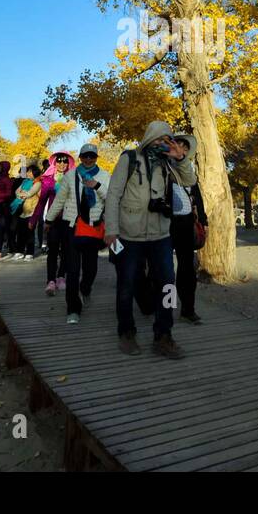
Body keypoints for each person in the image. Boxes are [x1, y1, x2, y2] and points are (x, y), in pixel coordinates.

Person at [104, 121, 195, 359]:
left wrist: (180, 158)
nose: (162, 144)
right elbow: (113, 194)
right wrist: (111, 230)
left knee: (168, 284)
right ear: (148, 139)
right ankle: (126, 331)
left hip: (160, 234)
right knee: (127, 284)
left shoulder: (169, 162)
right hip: (128, 234)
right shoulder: (129, 158)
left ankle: (164, 335)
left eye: (167, 140)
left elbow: (189, 181)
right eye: (158, 139)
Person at [48, 144, 109, 323]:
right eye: (85, 156)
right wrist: (48, 220)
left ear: (96, 157)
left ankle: (86, 288)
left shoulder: (104, 176)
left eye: (92, 156)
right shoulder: (70, 175)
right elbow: (60, 200)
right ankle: (73, 309)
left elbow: (112, 199)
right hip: (72, 226)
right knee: (72, 269)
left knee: (91, 268)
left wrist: (97, 186)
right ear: (80, 157)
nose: (88, 159)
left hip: (93, 226)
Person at [168, 133, 208, 325]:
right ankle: (165, 308)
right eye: (177, 145)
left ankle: (188, 309)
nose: (180, 150)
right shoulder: (162, 170)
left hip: (186, 223)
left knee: (187, 269)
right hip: (165, 223)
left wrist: (204, 221)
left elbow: (198, 199)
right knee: (164, 270)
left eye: (184, 147)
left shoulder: (190, 173)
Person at [40, 152, 75, 295]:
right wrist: (35, 219)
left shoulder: (73, 179)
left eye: (64, 162)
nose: (61, 164)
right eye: (59, 161)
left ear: (68, 164)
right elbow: (42, 201)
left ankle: (61, 277)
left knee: (66, 250)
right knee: (53, 250)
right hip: (53, 220)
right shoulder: (48, 180)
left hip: (68, 219)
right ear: (54, 163)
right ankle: (50, 280)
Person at [10, 165, 41, 261]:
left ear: (34, 173)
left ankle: (29, 252)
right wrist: (21, 194)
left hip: (31, 210)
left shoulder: (38, 183)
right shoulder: (24, 181)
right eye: (27, 172)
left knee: (29, 232)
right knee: (20, 232)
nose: (27, 173)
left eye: (30, 172)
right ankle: (19, 251)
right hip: (21, 210)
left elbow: (30, 193)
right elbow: (16, 192)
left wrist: (22, 194)